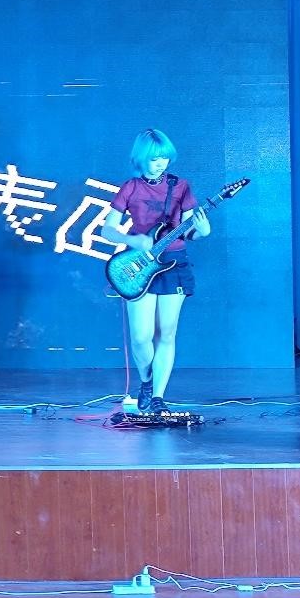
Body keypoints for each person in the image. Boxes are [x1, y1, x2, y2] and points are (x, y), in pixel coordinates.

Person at [102, 128, 210, 414]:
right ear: (141, 159)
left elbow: (188, 231)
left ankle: (159, 396)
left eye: (164, 158)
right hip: (140, 265)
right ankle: (146, 380)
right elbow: (107, 229)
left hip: (174, 263)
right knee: (141, 336)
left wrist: (202, 231)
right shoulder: (130, 187)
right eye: (154, 158)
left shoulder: (181, 186)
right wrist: (133, 240)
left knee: (167, 333)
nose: (161, 163)